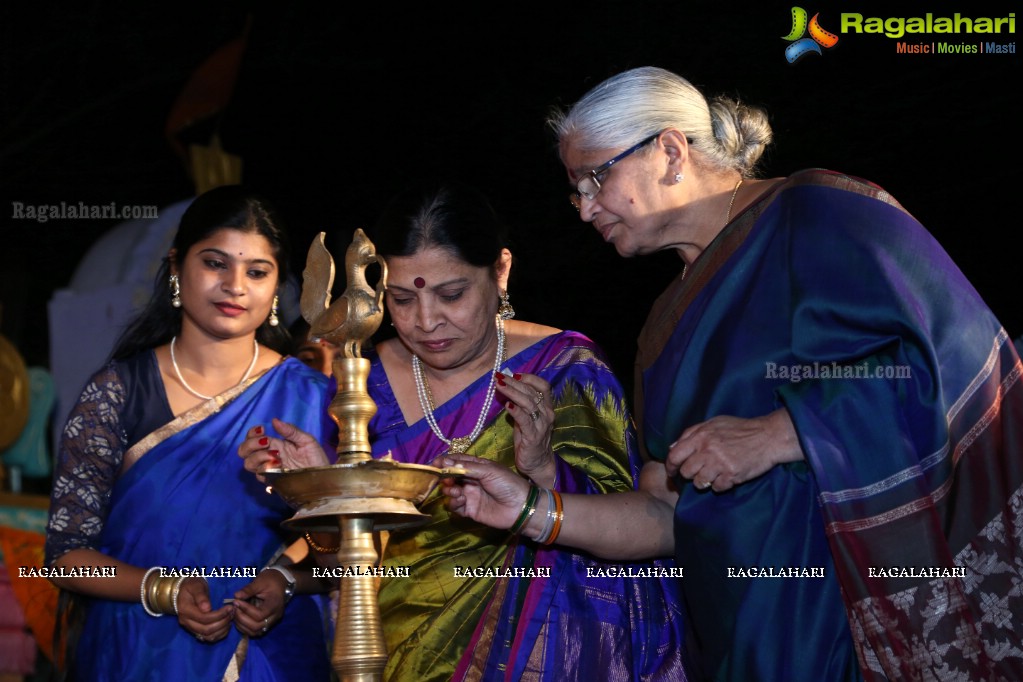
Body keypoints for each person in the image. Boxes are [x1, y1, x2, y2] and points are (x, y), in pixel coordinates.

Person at [440, 66, 1023, 681]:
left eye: (595, 178)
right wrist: (534, 507)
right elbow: (666, 512)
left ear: (668, 151)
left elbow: (957, 355)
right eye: (574, 192)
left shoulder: (818, 213)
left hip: (849, 624)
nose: (585, 211)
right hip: (739, 644)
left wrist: (778, 433)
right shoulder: (663, 324)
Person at [240, 183, 687, 681]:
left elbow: (640, 531)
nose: (426, 322)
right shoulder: (362, 383)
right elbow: (347, 569)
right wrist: (322, 496)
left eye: (452, 294)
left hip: (548, 652)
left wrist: (542, 469)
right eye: (401, 298)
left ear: (500, 270)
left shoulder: (564, 368)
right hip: (401, 653)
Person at [44, 185, 335, 681]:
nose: (236, 285)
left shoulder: (313, 399)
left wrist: (287, 580)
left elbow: (347, 552)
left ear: (276, 288)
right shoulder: (117, 393)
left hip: (274, 656)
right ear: (177, 268)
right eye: (215, 263)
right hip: (139, 652)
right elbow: (67, 558)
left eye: (257, 272)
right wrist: (165, 589)